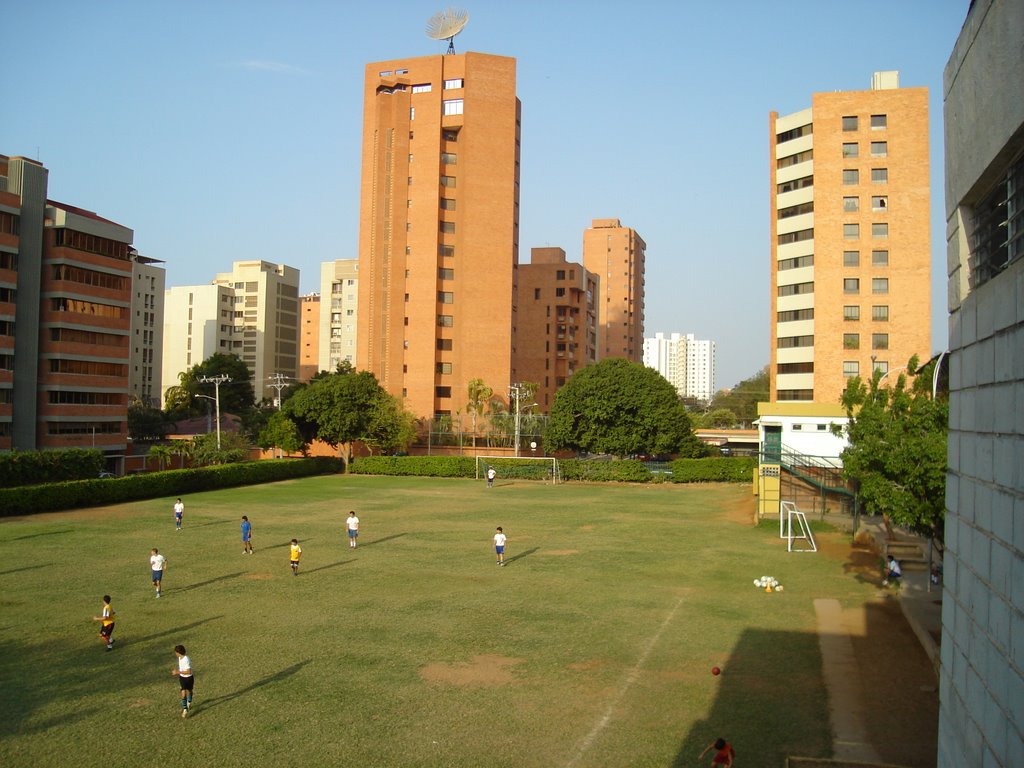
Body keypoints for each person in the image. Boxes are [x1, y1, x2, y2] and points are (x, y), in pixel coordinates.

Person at [171, 645, 194, 717]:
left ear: (178, 652)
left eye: (176, 652)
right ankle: (185, 709)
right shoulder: (179, 658)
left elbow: (189, 671)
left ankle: (189, 702)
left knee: (189, 691)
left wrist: (177, 672)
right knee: (183, 693)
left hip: (189, 678)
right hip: (182, 678)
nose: (175, 654)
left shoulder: (186, 659)